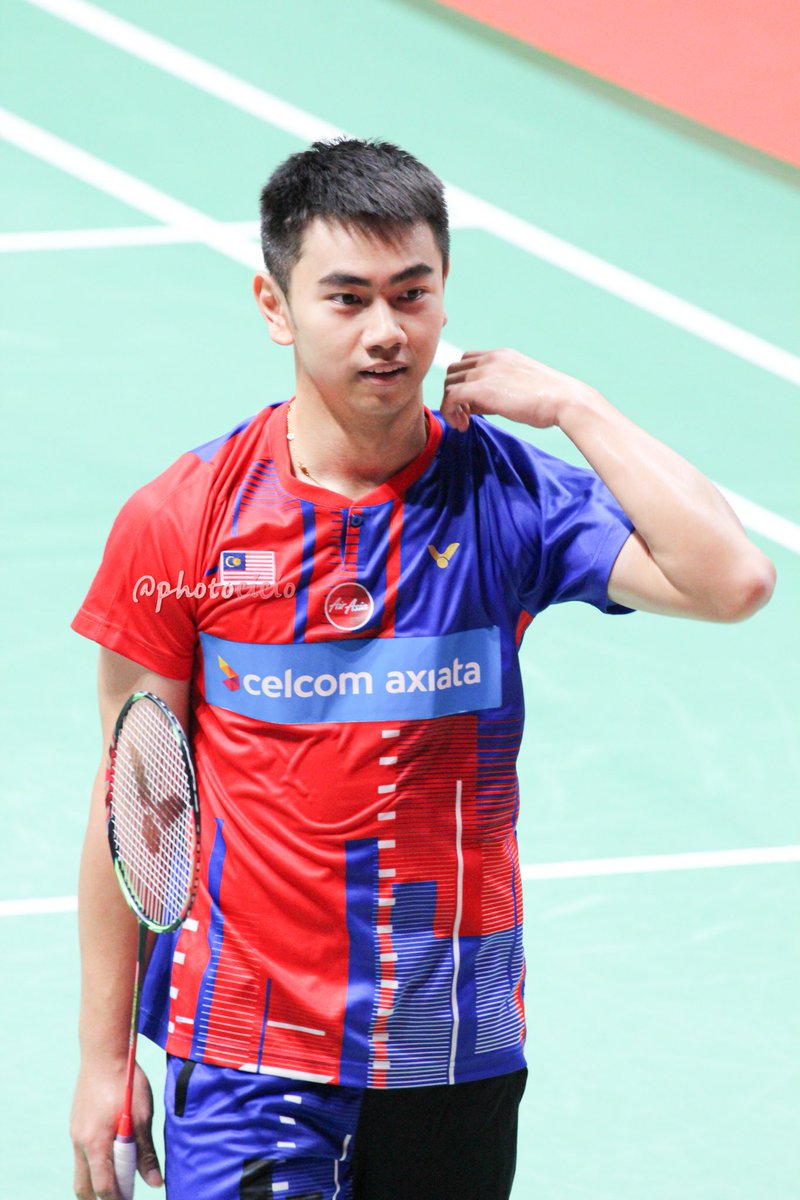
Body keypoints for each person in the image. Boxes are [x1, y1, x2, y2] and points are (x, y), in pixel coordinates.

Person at [69, 138, 775, 1200]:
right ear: (275, 305)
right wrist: (104, 1061)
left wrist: (575, 407)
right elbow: (134, 806)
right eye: (346, 298)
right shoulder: (184, 520)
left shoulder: (506, 496)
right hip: (249, 1046)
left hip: (452, 1038)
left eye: (412, 294)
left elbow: (732, 580)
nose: (386, 331)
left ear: (445, 295)